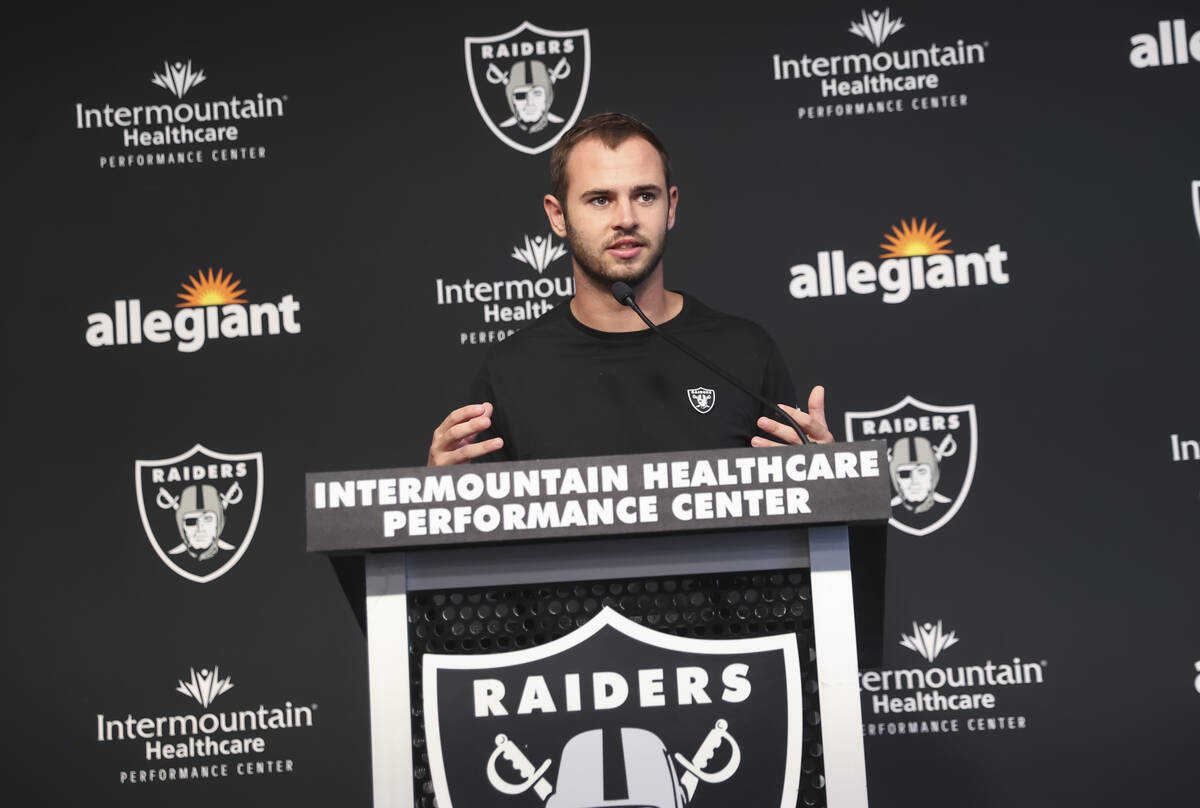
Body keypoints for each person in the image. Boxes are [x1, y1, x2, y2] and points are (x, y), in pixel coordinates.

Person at [428, 112, 832, 466]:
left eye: (644, 196)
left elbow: (801, 519)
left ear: (670, 207)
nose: (626, 218)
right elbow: (480, 541)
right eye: (600, 200)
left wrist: (828, 479)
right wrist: (436, 499)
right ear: (558, 216)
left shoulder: (744, 353)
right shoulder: (510, 372)